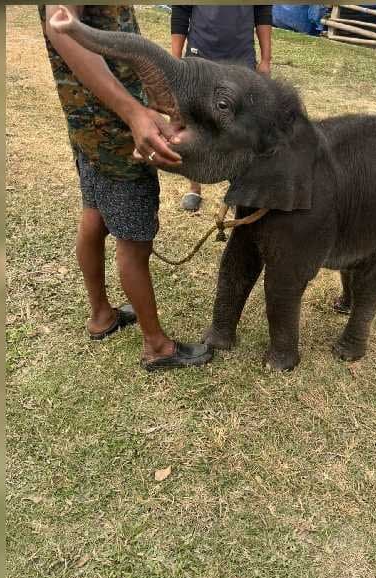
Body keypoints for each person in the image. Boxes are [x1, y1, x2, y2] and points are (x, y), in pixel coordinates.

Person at [39, 5, 212, 371]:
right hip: (113, 128)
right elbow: (60, 28)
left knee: (95, 213)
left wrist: (151, 90)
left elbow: (111, 29)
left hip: (90, 121)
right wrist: (133, 112)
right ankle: (157, 346)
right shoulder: (123, 120)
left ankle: (102, 315)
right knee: (134, 242)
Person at [170, 5, 273, 212]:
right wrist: (175, 59)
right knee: (195, 120)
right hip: (199, 55)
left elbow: (263, 12)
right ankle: (194, 187)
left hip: (240, 58)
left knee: (239, 123)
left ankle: (238, 187)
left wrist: (265, 59)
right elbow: (181, 11)